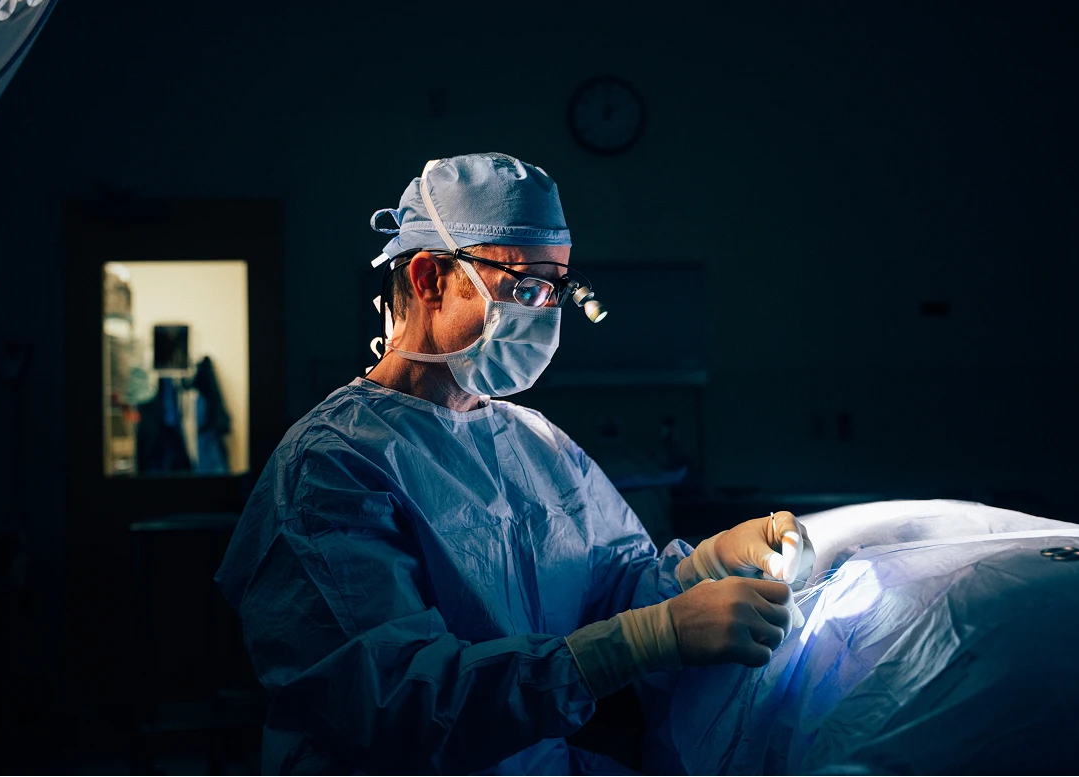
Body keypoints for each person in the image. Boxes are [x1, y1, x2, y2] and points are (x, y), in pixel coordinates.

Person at [215, 153, 815, 774]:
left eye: (556, 288)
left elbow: (619, 588)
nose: (544, 314)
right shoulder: (332, 467)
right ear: (428, 278)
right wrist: (648, 639)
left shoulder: (537, 445)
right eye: (524, 286)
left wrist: (709, 564)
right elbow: (395, 705)